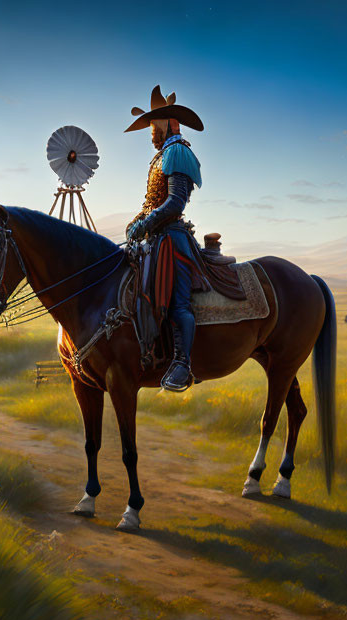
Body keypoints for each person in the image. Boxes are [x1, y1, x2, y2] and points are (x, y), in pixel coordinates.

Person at [124, 86, 204, 392]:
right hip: (156, 237)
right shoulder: (159, 158)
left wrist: (147, 224)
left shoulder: (177, 152)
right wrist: (136, 222)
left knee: (177, 302)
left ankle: (183, 364)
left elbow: (175, 203)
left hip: (173, 238)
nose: (151, 134)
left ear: (168, 125)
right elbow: (150, 201)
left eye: (154, 128)